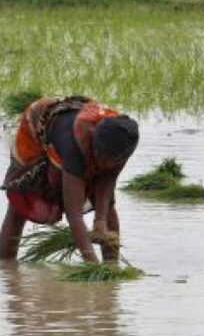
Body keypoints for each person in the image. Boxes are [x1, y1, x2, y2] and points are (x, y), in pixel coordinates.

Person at [1, 95, 139, 263]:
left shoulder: (123, 141)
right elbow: (74, 215)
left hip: (77, 127)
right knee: (21, 200)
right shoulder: (73, 146)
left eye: (111, 160)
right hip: (39, 124)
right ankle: (5, 265)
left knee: (108, 208)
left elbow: (107, 184)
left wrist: (100, 220)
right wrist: (92, 266)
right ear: (95, 146)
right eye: (101, 157)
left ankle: (112, 265)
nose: (103, 163)